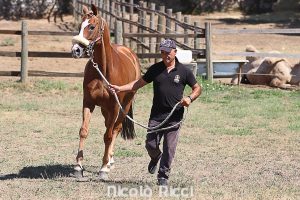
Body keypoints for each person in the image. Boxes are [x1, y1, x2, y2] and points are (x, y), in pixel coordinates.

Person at [109, 38, 201, 186]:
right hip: (157, 116)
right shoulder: (155, 69)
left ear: (175, 52)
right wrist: (120, 88)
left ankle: (163, 176)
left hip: (174, 116)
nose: (165, 56)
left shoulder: (184, 71)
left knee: (169, 148)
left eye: (167, 52)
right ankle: (155, 157)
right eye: (162, 52)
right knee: (150, 144)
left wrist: (190, 98)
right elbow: (137, 83)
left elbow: (197, 88)